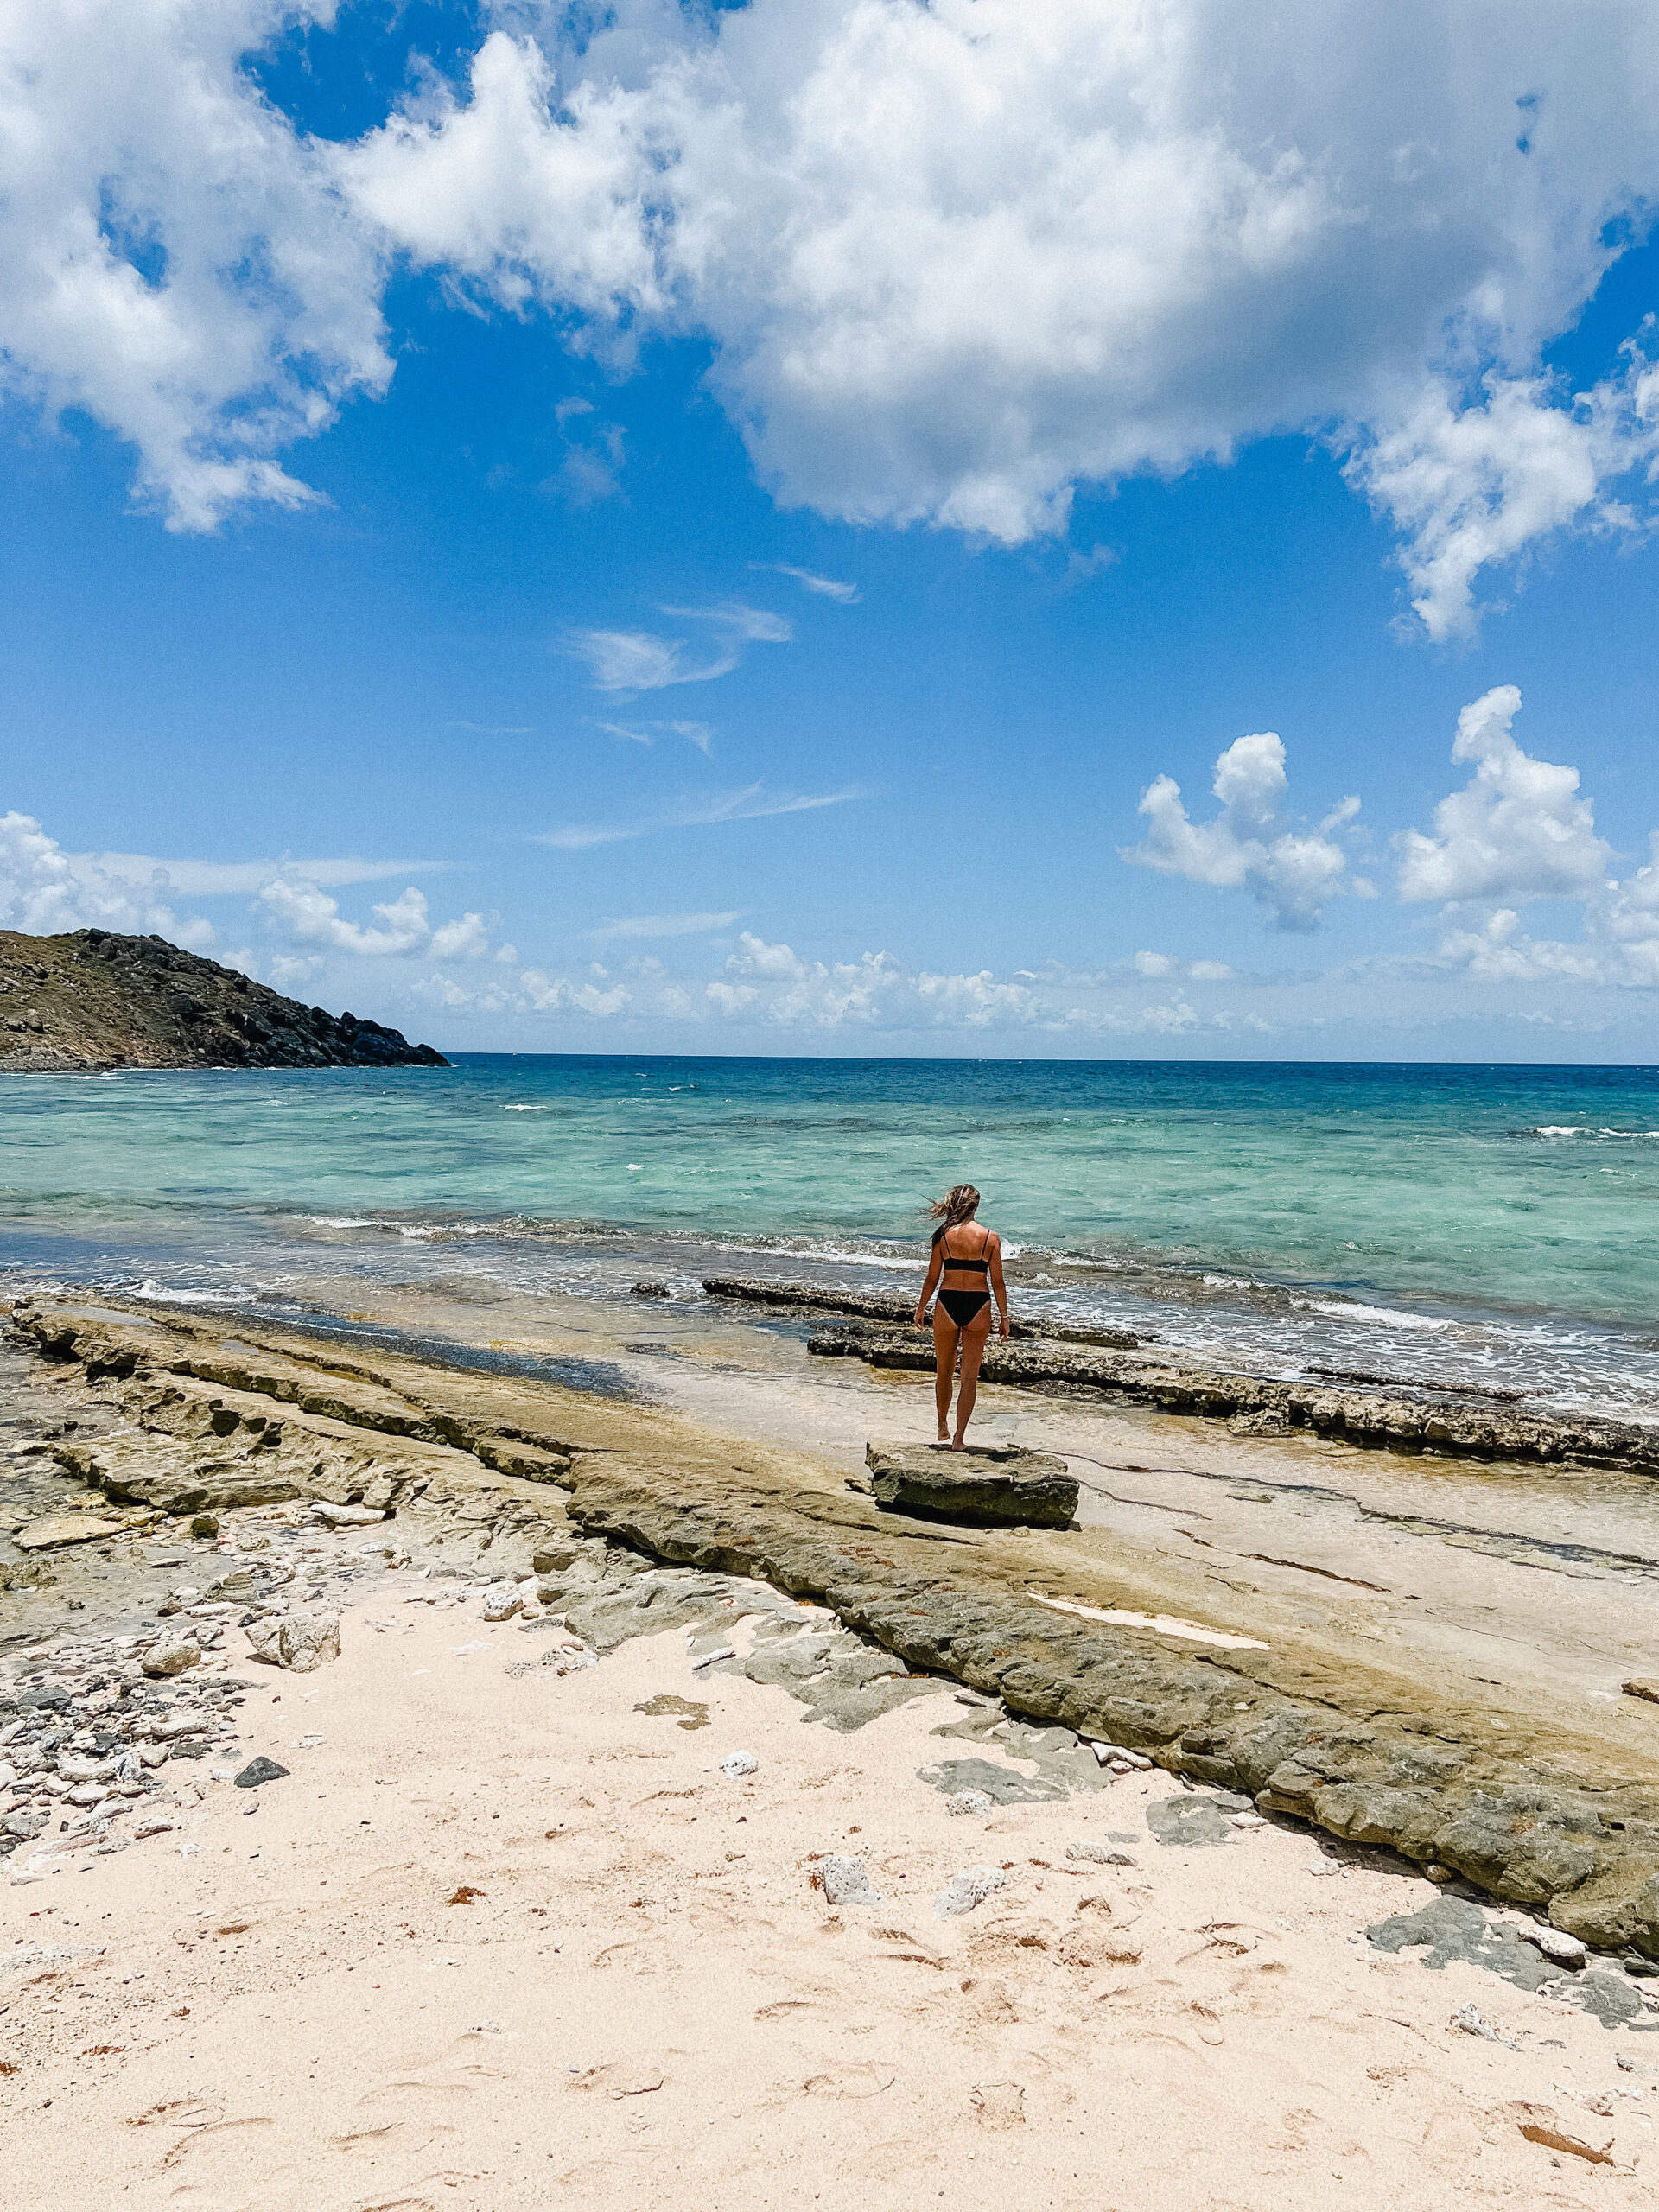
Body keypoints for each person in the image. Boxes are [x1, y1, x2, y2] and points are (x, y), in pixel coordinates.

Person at [912, 1182, 1009, 1449]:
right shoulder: (991, 1238)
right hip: (979, 1305)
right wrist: (1005, 1317)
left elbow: (932, 1278)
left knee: (943, 1371)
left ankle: (942, 1425)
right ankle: (959, 1439)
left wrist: (921, 1308)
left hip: (947, 1303)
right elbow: (998, 1282)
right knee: (969, 1377)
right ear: (975, 1206)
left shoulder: (943, 1235)